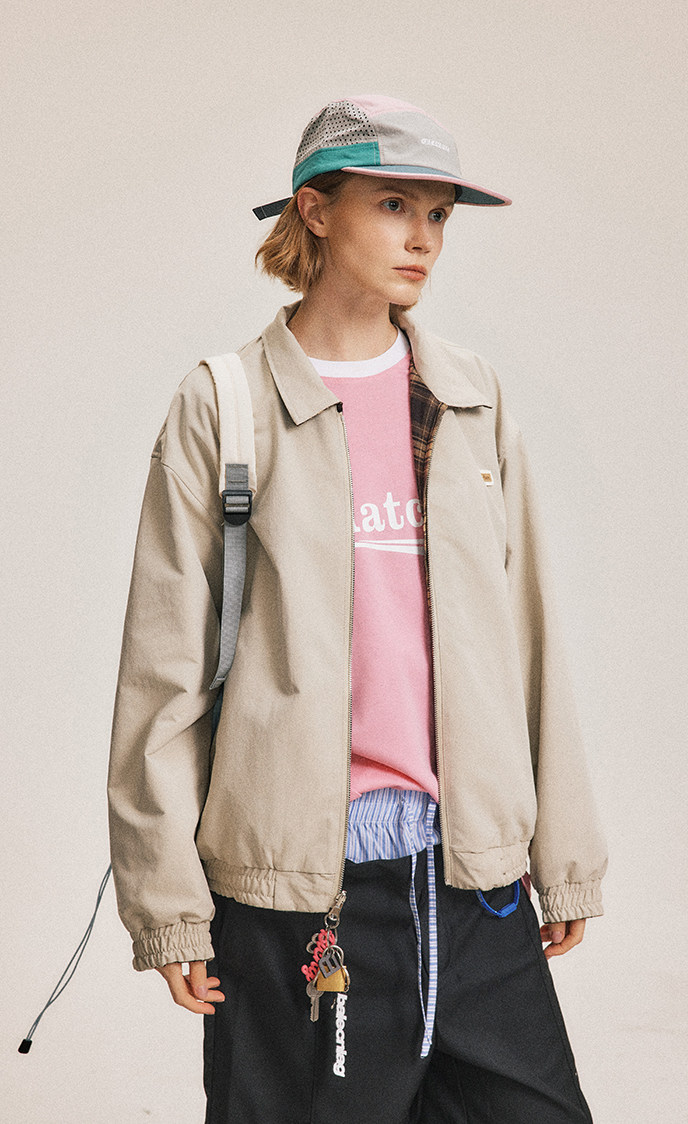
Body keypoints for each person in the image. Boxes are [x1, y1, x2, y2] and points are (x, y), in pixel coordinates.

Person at [108, 95, 608, 1123]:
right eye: (394, 205)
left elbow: (530, 641)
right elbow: (162, 670)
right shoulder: (225, 406)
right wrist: (168, 906)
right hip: (302, 897)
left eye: (439, 214)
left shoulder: (469, 397)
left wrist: (562, 858)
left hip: (474, 883)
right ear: (316, 209)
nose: (424, 238)